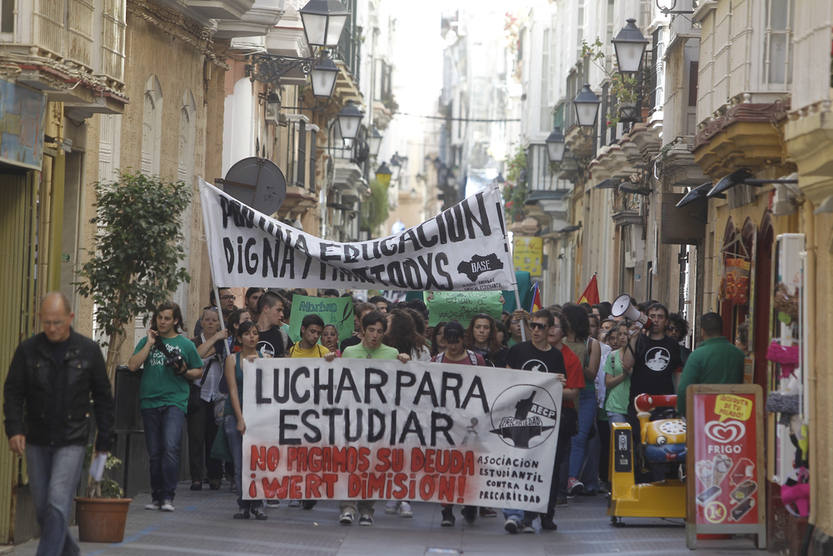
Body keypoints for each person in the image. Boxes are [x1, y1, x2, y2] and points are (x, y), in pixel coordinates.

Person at [4, 293, 114, 556]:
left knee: (57, 502)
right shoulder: (28, 350)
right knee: (43, 508)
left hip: (72, 439)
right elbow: (13, 392)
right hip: (37, 437)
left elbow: (103, 397)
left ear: (70, 318)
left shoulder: (88, 351)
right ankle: (69, 551)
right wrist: (15, 428)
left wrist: (105, 439)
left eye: (58, 322)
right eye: (47, 322)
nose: (52, 328)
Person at [127, 301, 203, 512]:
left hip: (174, 401)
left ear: (175, 320)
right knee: (155, 452)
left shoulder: (185, 344)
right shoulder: (146, 340)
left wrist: (184, 372)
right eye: (160, 318)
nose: (162, 322)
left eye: (167, 318)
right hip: (149, 401)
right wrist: (150, 344)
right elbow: (133, 365)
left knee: (170, 447)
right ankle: (157, 495)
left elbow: (199, 371)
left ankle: (168, 495)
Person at [339, 311, 410, 526]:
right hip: (352, 417)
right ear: (363, 331)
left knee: (372, 465)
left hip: (379, 420)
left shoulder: (392, 354)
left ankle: (367, 509)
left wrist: (405, 362)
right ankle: (347, 507)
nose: (375, 335)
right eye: (371, 330)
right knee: (350, 463)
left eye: (380, 331)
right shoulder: (349, 352)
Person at [503, 309, 567, 534]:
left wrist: (558, 382)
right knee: (516, 465)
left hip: (542, 421)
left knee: (539, 468)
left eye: (541, 326)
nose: (536, 330)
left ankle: (531, 517)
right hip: (518, 419)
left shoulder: (556, 357)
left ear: (550, 329)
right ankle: (514, 514)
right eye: (533, 326)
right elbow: (506, 380)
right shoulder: (517, 350)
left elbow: (560, 390)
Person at [432, 321, 488, 527]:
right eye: (449, 342)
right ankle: (446, 510)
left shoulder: (476, 360)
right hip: (444, 424)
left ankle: (470, 502)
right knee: (445, 466)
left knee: (468, 466)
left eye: (456, 342)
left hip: (470, 423)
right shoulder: (437, 360)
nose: (453, 347)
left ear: (463, 340)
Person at [620, 302, 682, 481]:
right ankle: (641, 480)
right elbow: (627, 364)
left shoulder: (672, 344)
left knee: (663, 443)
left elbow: (677, 374)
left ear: (666, 321)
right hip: (639, 404)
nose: (655, 320)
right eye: (652, 316)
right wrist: (633, 338)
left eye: (660, 317)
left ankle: (662, 479)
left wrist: (678, 401)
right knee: (639, 443)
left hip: (664, 404)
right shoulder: (639, 341)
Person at [223, 321, 268, 520]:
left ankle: (258, 503)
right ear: (239, 338)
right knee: (240, 462)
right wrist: (240, 418)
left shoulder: (266, 358)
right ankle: (243, 503)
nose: (252, 337)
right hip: (235, 415)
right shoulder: (232, 360)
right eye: (247, 334)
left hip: (259, 417)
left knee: (257, 461)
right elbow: (232, 390)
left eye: (255, 333)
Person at [561, 303, 602, 497]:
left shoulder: (591, 344)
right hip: (563, 393)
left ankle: (571, 477)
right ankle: (562, 478)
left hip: (584, 395)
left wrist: (576, 365)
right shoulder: (558, 342)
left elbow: (592, 374)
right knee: (564, 438)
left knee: (579, 437)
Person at [546, 311, 584, 513]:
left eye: (555, 326)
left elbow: (573, 392)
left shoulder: (570, 358)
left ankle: (559, 493)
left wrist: (551, 389)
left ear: (564, 331)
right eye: (547, 325)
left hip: (562, 413)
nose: (551, 330)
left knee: (560, 455)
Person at [188, 308, 228, 491]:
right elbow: (195, 356)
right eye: (207, 320)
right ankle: (196, 477)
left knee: (214, 437)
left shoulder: (225, 344)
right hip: (199, 394)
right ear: (202, 323)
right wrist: (215, 339)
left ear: (219, 323)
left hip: (217, 396)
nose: (211, 323)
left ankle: (215, 475)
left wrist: (220, 341)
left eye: (214, 320)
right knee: (196, 437)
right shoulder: (193, 342)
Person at [676, 312, 744, 417]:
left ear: (702, 331)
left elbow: (684, 390)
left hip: (704, 416)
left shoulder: (697, 356)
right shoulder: (739, 354)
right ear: (722, 329)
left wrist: (685, 414)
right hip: (733, 416)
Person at [604, 323, 632, 423]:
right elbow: (607, 383)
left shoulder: (640, 355)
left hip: (635, 407)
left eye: (626, 334)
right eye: (620, 334)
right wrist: (624, 375)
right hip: (615, 407)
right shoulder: (612, 355)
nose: (622, 337)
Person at [255, 291, 291, 358]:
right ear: (266, 308)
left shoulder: (283, 336)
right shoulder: (248, 333)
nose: (282, 315)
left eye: (282, 311)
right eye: (278, 310)